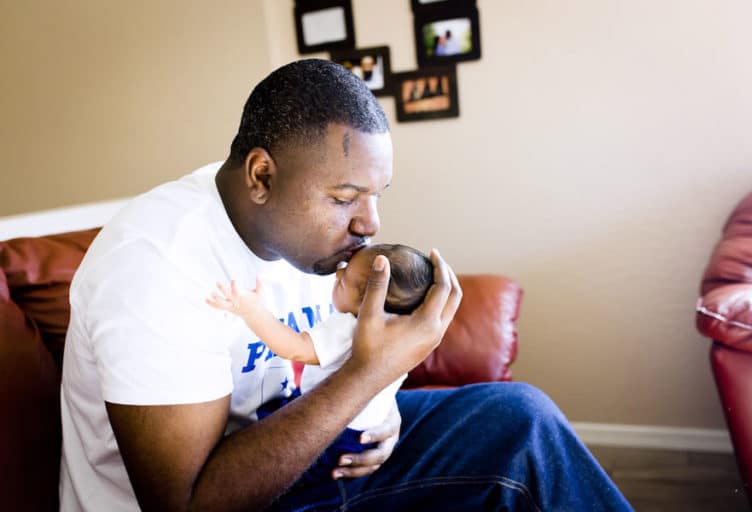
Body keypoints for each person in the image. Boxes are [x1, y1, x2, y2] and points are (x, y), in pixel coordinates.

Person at [60, 58, 631, 511]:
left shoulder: (309, 243)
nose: (371, 224)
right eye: (344, 198)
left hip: (306, 458)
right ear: (262, 176)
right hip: (228, 493)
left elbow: (332, 366)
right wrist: (368, 376)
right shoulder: (157, 262)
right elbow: (187, 503)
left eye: (376, 194)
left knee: (519, 418)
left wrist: (384, 414)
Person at [206, 244, 432, 484]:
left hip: (334, 431)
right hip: (360, 429)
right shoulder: (400, 336)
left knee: (308, 481)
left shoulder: (349, 326)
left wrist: (253, 311)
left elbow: (294, 348)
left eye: (344, 279)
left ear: (367, 302)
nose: (337, 274)